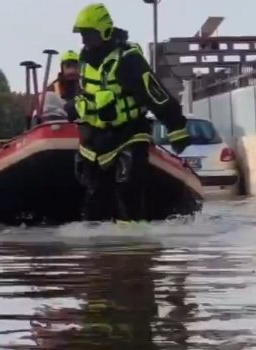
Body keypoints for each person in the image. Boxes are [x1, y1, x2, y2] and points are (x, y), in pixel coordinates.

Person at [66, 3, 191, 222]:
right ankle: (97, 249)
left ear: (103, 31)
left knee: (129, 192)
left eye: (89, 34)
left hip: (130, 132)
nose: (85, 40)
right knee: (95, 197)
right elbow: (83, 91)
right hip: (95, 137)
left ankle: (134, 248)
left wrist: (175, 126)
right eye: (83, 34)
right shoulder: (85, 58)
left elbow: (154, 93)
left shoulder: (128, 59)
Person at [41, 50, 82, 122]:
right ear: (62, 68)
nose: (71, 70)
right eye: (68, 66)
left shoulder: (85, 85)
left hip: (81, 124)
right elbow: (43, 106)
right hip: (58, 125)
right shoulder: (53, 86)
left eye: (75, 66)